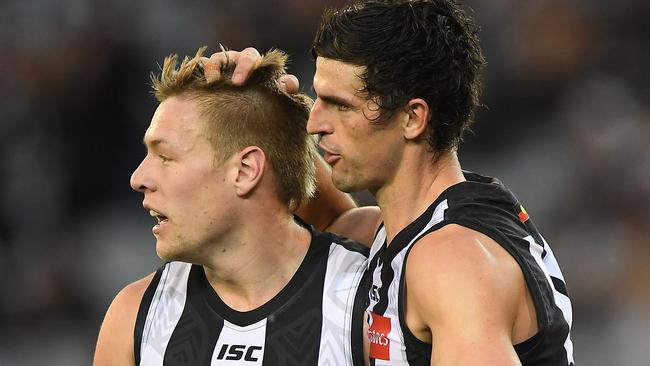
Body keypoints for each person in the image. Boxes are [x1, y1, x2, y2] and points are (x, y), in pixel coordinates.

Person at [203, 0, 575, 365]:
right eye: (318, 100)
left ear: (413, 118)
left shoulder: (452, 262)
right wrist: (257, 112)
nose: (314, 124)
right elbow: (327, 223)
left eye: (340, 105)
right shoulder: (411, 230)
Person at [92, 47, 371, 366]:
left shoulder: (369, 293)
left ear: (245, 171)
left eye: (165, 157)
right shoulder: (135, 317)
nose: (138, 178)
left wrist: (278, 121)